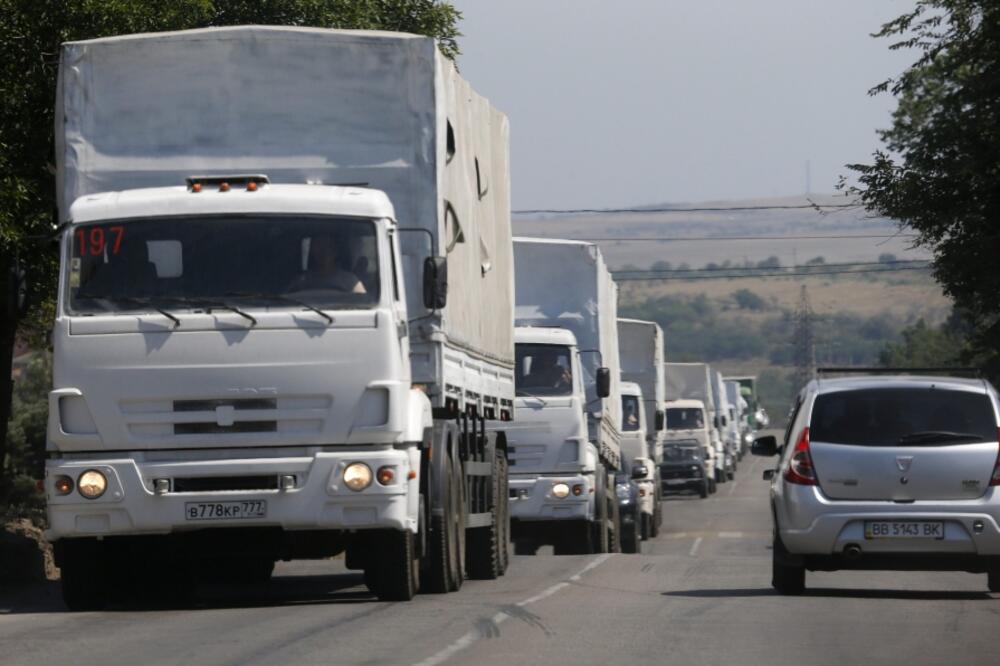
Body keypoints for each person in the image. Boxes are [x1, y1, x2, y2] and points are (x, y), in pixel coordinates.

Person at [294, 234, 365, 294]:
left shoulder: (350, 282)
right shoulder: (302, 282)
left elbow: (365, 305)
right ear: (312, 251)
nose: (323, 252)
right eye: (318, 246)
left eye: (328, 246)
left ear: (336, 251)